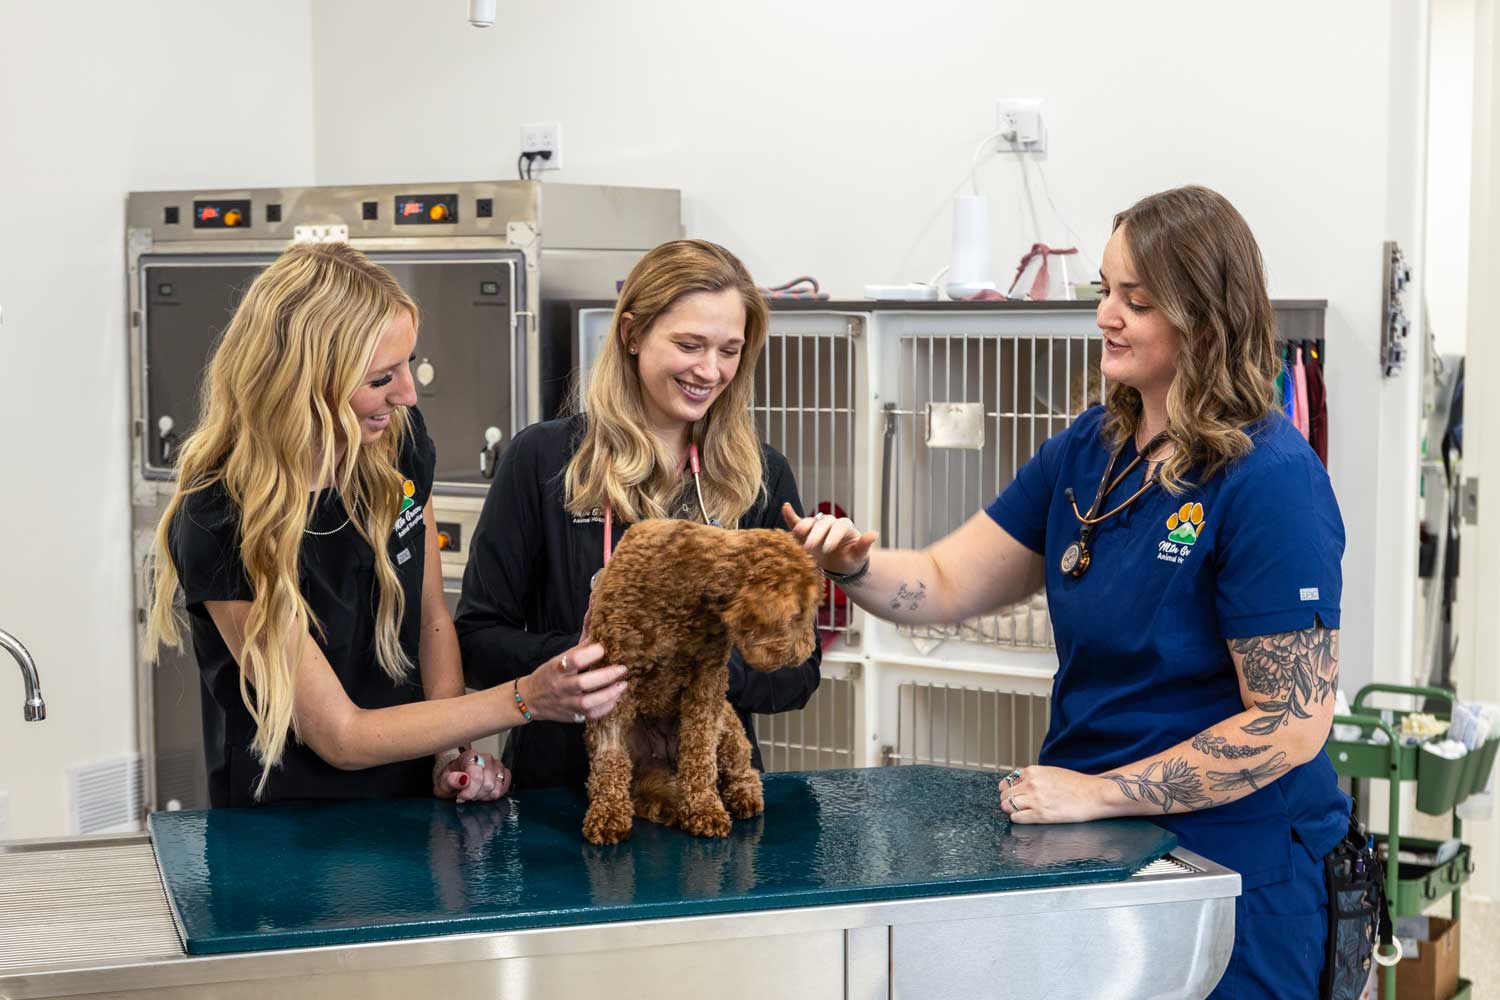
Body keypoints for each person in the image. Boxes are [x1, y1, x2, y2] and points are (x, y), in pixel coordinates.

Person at [786, 186, 1350, 998]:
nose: (1105, 318)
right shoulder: (1091, 448)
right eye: (1105, 292)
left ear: (1205, 317)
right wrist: (852, 567)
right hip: (1093, 849)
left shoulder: (1270, 480)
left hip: (1236, 876)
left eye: (1138, 300)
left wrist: (1098, 793)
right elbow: (945, 582)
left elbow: (1290, 723)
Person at [145, 242, 627, 808]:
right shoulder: (223, 517)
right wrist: (526, 699)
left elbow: (431, 619)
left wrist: (456, 755)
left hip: (410, 803)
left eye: (408, 364)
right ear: (302, 382)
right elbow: (341, 736)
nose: (407, 393)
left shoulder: (396, 446)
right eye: (380, 379)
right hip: (288, 829)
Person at [456, 238, 821, 791]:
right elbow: (478, 640)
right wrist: (586, 660)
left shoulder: (759, 477)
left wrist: (701, 665)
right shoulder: (544, 459)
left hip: (707, 792)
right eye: (690, 344)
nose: (710, 370)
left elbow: (797, 676)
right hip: (562, 792)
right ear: (632, 335)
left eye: (729, 350)